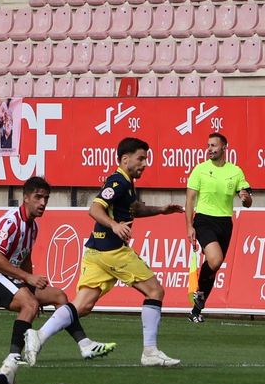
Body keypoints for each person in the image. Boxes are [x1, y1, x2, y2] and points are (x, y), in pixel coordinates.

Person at [0, 175, 115, 367]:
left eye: (46, 198)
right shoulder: (10, 223)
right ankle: (13, 355)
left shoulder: (33, 226)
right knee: (30, 305)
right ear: (25, 197)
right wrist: (28, 279)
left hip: (13, 279)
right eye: (38, 197)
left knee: (59, 296)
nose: (43, 203)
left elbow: (25, 257)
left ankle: (85, 344)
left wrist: (28, 282)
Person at [73, 137, 185, 366]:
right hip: (112, 250)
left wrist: (161, 210)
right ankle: (150, 352)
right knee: (155, 290)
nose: (145, 164)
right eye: (141, 158)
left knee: (81, 306)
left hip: (98, 249)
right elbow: (94, 208)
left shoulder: (126, 182)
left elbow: (136, 209)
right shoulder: (118, 181)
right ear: (125, 159)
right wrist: (114, 225)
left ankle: (37, 335)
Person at [184, 132, 253, 323]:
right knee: (215, 260)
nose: (210, 149)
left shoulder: (235, 171)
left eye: (214, 145)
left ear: (224, 147)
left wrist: (246, 199)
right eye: (208, 145)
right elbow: (189, 200)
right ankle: (198, 291)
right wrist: (189, 226)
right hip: (204, 220)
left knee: (214, 268)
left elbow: (246, 198)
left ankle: (196, 311)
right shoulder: (200, 170)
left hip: (225, 223)